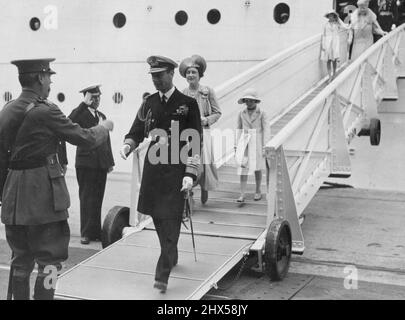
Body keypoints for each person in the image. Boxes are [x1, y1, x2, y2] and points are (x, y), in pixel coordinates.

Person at [0, 58, 113, 300]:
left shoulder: (7, 110)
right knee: (50, 262)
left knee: (20, 261)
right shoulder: (46, 110)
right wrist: (104, 128)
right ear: (40, 78)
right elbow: (84, 138)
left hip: (14, 198)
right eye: (49, 76)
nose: (51, 81)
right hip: (44, 198)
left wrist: (4, 196)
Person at [120, 55, 202, 293]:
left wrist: (190, 173)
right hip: (154, 171)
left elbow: (196, 141)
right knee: (158, 217)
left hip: (177, 171)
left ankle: (162, 273)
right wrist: (128, 145)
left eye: (159, 75)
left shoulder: (187, 103)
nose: (155, 80)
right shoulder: (149, 103)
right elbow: (136, 130)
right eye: (153, 76)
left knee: (172, 219)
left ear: (171, 74)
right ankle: (171, 252)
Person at [68, 85, 115, 245]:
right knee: (87, 197)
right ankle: (86, 233)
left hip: (100, 163)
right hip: (86, 163)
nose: (96, 100)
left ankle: (95, 232)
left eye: (98, 97)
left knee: (97, 198)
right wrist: (83, 104)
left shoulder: (102, 115)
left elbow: (106, 140)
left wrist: (109, 162)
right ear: (87, 98)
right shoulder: (80, 113)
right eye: (93, 97)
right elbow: (70, 121)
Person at [180, 55, 221, 204]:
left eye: (194, 72)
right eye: (188, 73)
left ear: (199, 75)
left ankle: (204, 187)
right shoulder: (183, 93)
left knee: (204, 164)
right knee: (188, 162)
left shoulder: (207, 91)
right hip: (188, 134)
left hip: (204, 132)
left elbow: (217, 112)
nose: (191, 75)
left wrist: (207, 120)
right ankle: (189, 195)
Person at [234, 88, 270, 203]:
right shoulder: (241, 113)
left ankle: (258, 190)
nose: (249, 102)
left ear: (256, 101)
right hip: (244, 142)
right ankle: (242, 193)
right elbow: (239, 128)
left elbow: (266, 129)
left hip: (257, 141)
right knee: (243, 167)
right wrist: (236, 144)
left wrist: (265, 145)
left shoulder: (262, 113)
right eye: (247, 100)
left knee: (257, 167)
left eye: (251, 100)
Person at [321, 10, 350, 82]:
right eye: (330, 15)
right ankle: (329, 76)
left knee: (334, 60)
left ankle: (334, 74)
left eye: (332, 15)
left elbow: (345, 27)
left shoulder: (337, 24)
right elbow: (324, 35)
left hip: (334, 43)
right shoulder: (325, 25)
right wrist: (323, 45)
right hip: (328, 43)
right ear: (328, 17)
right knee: (328, 60)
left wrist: (338, 19)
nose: (331, 17)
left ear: (334, 16)